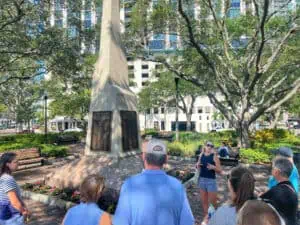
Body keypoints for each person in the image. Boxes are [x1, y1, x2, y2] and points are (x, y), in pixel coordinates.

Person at [113, 139, 194, 225]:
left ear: (143, 156)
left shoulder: (129, 185)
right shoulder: (177, 186)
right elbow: (187, 221)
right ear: (166, 159)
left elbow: (120, 222)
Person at [260, 157, 298, 225]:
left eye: (272, 168)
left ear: (277, 171)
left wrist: (260, 195)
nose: (271, 170)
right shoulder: (291, 188)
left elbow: (259, 202)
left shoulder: (277, 190)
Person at [0, 152, 30, 225]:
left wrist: (24, 205)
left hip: (5, 214)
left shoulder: (3, 177)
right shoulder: (7, 179)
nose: (18, 163)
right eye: (15, 162)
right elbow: (14, 202)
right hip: (12, 216)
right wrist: (24, 212)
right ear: (7, 164)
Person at [196, 141, 221, 225]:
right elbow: (198, 167)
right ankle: (207, 217)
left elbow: (220, 170)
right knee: (204, 201)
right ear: (205, 146)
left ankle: (215, 217)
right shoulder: (201, 155)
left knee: (213, 202)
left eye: (211, 146)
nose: (209, 147)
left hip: (211, 181)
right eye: (208, 145)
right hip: (202, 180)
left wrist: (213, 167)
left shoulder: (214, 157)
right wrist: (197, 165)